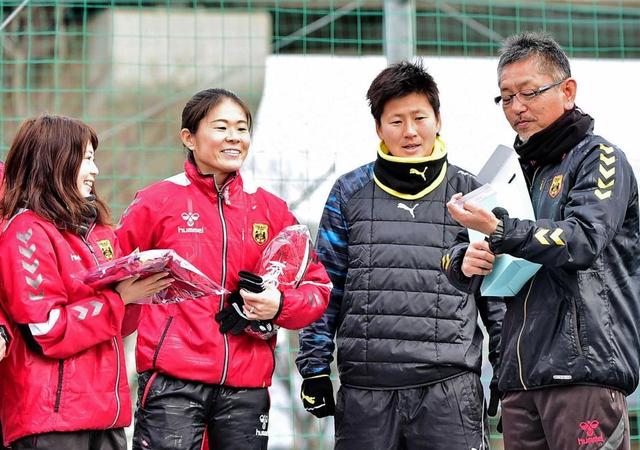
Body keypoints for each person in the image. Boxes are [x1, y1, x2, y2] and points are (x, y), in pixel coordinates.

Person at [444, 31, 640, 449]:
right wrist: (468, 257)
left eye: (529, 93)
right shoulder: (511, 175)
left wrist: (501, 230)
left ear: (567, 91)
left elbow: (583, 238)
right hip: (518, 381)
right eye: (506, 98)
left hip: (586, 374)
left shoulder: (601, 159)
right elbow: (500, 262)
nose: (517, 108)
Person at [295, 61, 504, 450]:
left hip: (450, 390)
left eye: (419, 117)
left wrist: (506, 375)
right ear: (378, 128)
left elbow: (497, 296)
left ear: (438, 119)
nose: (409, 131)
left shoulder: (472, 193)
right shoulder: (348, 192)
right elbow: (324, 284)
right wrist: (314, 367)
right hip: (365, 393)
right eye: (396, 121)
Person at [115, 87, 332, 450]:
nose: (234, 137)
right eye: (221, 127)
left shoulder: (271, 208)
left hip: (247, 388)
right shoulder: (156, 202)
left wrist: (277, 305)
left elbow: (317, 289)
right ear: (189, 137)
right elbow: (113, 275)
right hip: (173, 384)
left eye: (242, 128)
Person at [0, 115, 171, 449]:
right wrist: (118, 300)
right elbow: (47, 329)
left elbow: (117, 326)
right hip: (51, 420)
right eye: (87, 159)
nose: (95, 171)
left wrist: (140, 289)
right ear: (54, 161)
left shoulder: (99, 231)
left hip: (106, 415)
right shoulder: (26, 232)